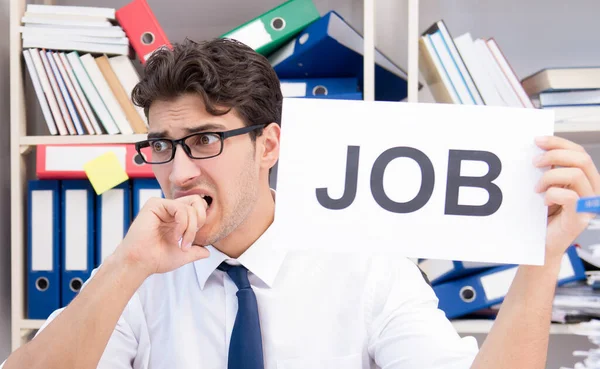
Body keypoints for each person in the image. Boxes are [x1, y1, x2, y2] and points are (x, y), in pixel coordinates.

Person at [3, 37, 600, 369]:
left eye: (205, 141)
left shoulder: (366, 261)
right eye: (162, 146)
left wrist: (541, 260)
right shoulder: (137, 272)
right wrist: (124, 271)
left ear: (269, 145)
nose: (179, 173)